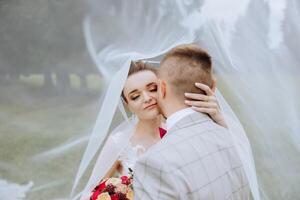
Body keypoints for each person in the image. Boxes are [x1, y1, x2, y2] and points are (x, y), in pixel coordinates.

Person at [133, 44, 250, 199]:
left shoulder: (154, 163)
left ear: (162, 87)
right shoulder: (235, 138)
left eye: (153, 88)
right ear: (213, 86)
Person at [100, 60, 227, 179]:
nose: (146, 98)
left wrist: (219, 121)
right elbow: (92, 192)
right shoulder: (119, 143)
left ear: (164, 89)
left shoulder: (182, 131)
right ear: (128, 105)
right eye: (135, 96)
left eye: (152, 89)